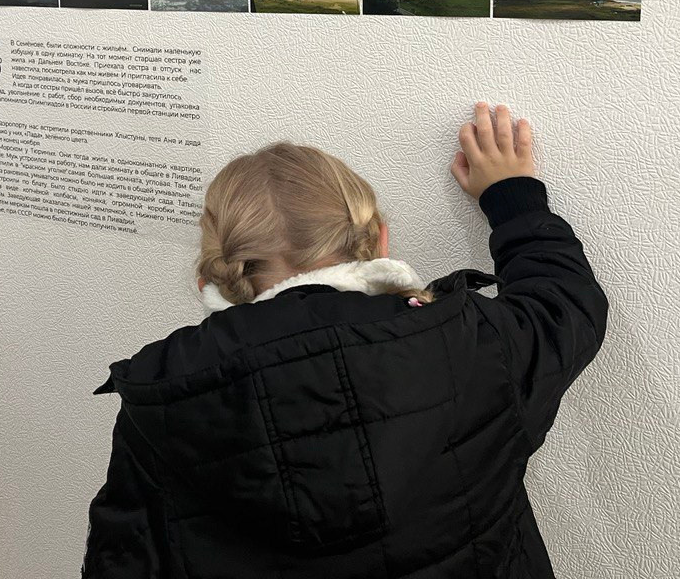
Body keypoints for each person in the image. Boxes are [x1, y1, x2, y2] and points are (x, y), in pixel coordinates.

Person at [83, 103, 608, 578]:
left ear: (214, 271)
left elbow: (124, 557)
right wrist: (510, 194)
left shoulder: (162, 390)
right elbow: (564, 305)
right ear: (378, 237)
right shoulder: (467, 342)